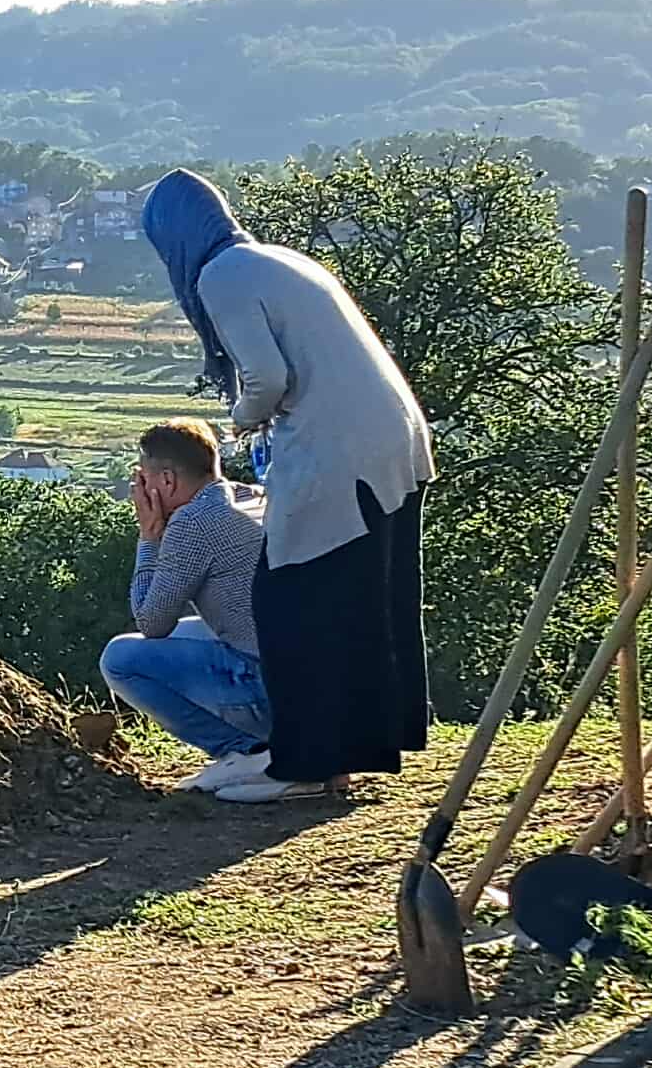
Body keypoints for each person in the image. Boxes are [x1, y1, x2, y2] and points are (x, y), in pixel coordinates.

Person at [142, 168, 435, 804]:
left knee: (294, 605)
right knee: (355, 603)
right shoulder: (277, 260)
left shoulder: (221, 276)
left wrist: (240, 421)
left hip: (336, 451)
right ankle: (338, 755)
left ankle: (301, 764)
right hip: (390, 441)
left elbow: (267, 378)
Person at [99, 418, 274, 794]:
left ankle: (245, 752)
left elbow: (152, 622)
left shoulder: (194, 522)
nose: (139, 489)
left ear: (167, 481)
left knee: (121, 658)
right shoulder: (255, 497)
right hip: (311, 679)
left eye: (143, 478)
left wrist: (149, 537)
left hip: (268, 687)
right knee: (194, 630)